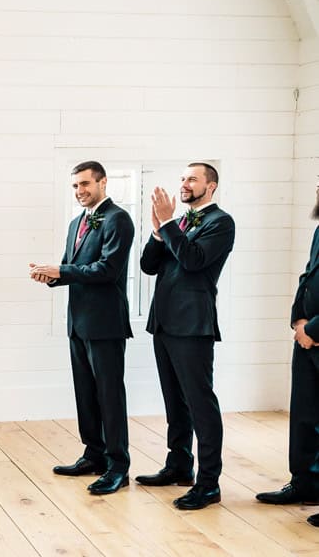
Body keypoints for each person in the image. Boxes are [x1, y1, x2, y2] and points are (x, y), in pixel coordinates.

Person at [29, 161, 134, 495]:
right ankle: (94, 454)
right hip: (78, 322)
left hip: (106, 323)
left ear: (103, 182)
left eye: (86, 184)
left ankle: (118, 466)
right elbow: (73, 268)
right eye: (75, 186)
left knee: (109, 396)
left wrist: (62, 271)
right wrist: (50, 275)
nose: (80, 191)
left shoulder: (119, 219)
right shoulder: (77, 222)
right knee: (86, 394)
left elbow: (108, 269)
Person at [136, 162, 235, 510]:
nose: (184, 184)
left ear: (211, 186)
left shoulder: (221, 222)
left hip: (193, 325)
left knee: (200, 403)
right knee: (174, 401)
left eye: (192, 179)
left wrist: (167, 224)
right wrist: (158, 232)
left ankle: (209, 484)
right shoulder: (176, 223)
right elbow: (149, 265)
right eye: (182, 178)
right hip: (163, 323)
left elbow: (193, 261)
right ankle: (179, 466)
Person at [255, 178, 319, 522]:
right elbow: (308, 277)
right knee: (305, 416)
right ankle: (305, 483)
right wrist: (299, 321)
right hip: (306, 337)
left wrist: (313, 329)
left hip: (316, 334)